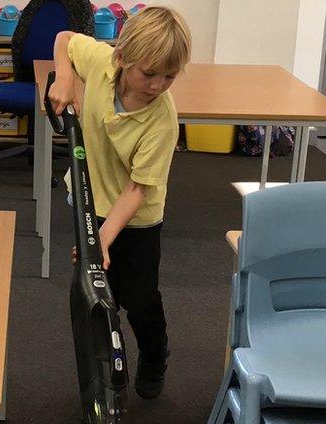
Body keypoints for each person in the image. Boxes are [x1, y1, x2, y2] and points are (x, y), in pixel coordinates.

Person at [47, 6, 191, 399]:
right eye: (149, 73)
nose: (158, 85)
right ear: (122, 57)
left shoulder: (162, 120)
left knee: (139, 298)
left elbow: (137, 190)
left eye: (169, 76)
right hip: (90, 199)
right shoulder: (102, 62)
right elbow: (64, 40)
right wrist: (64, 76)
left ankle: (154, 352)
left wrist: (102, 240)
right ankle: (111, 366)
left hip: (137, 217)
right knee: (101, 292)